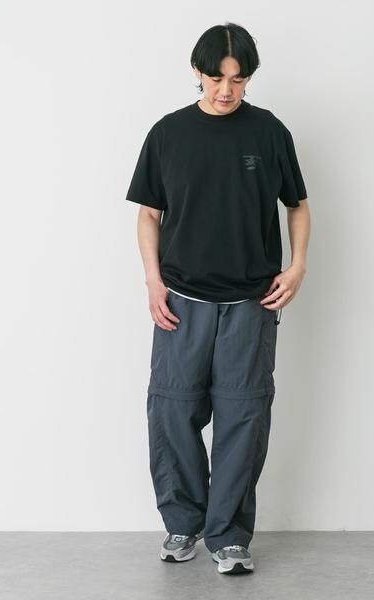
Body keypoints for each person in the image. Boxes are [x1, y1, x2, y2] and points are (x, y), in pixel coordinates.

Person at [125, 22, 310, 575]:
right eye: (216, 78)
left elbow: (297, 204)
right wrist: (153, 280)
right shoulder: (169, 133)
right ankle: (183, 524)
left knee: (243, 417)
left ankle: (228, 536)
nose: (226, 90)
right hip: (180, 301)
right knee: (173, 412)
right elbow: (149, 214)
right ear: (197, 72)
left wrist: (298, 265)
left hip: (252, 303)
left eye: (238, 79)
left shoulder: (269, 132)